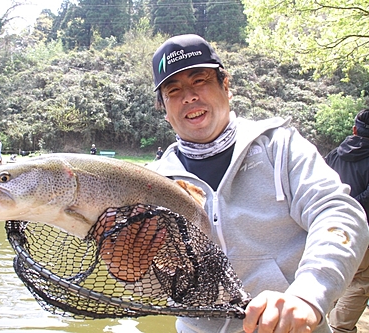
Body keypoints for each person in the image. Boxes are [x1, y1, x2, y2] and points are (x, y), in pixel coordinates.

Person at [147, 34, 369, 333]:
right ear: (163, 108)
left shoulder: (281, 147)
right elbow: (147, 276)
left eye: (199, 80)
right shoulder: (155, 181)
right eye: (173, 90)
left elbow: (339, 213)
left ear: (226, 86)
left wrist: (308, 294)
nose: (188, 96)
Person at [325, 109, 369, 333]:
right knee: (360, 281)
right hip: (363, 231)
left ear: (354, 130)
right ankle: (339, 328)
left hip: (331, 227)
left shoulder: (334, 155)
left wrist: (341, 205)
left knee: (333, 270)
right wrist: (353, 207)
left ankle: (320, 319)